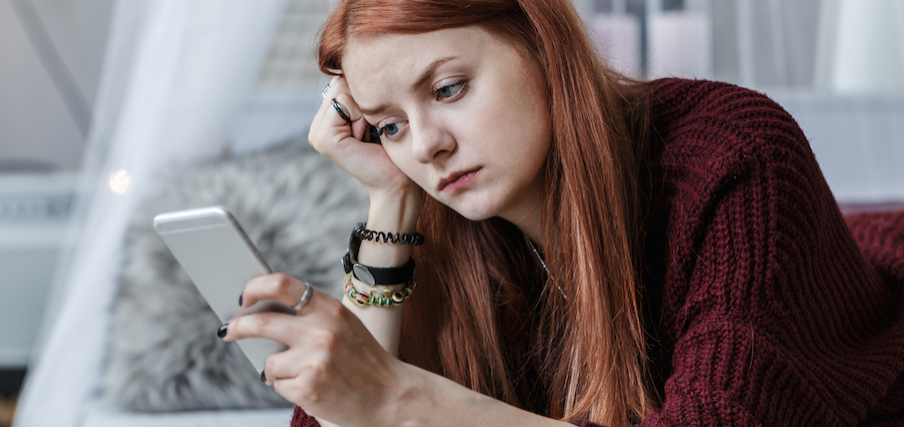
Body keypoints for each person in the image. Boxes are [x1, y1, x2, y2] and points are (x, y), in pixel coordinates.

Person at [218, 0, 904, 426]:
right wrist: (388, 202)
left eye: (449, 87)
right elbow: (338, 420)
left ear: (540, 44)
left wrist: (402, 399)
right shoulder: (439, 214)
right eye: (389, 125)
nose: (427, 145)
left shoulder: (734, 152)